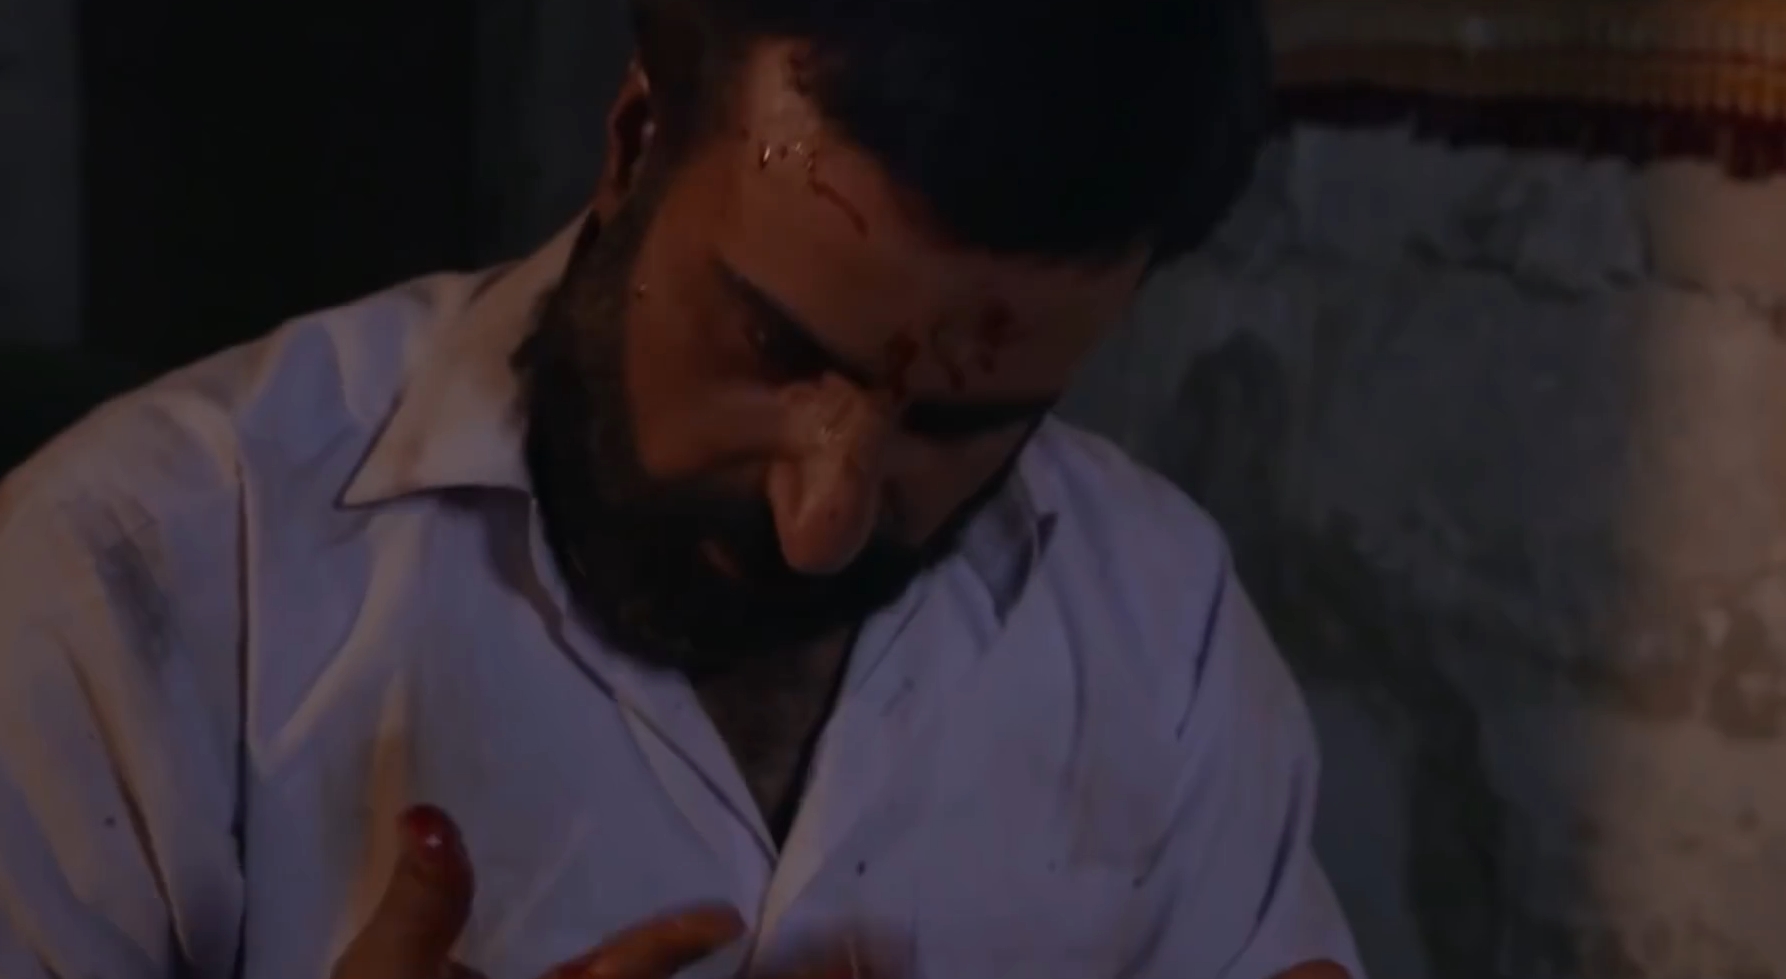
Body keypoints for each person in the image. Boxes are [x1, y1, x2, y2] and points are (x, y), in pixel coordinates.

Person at [0, 0, 1365, 975]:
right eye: (773, 349)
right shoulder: (133, 576)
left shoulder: (1163, 634)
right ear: (637, 137)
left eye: (964, 422)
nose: (821, 523)